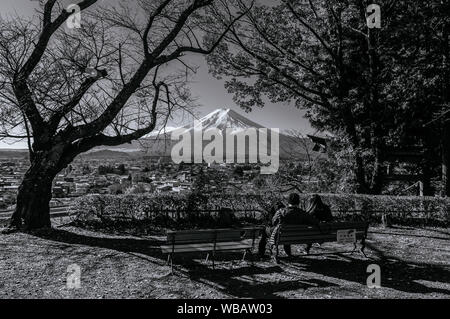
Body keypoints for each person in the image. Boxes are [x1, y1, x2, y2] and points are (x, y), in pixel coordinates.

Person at [258, 193, 319, 257]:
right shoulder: (303, 213)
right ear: (298, 202)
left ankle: (261, 253)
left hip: (281, 235)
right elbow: (314, 221)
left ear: (288, 201)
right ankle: (288, 253)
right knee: (285, 230)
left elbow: (273, 222)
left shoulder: (281, 211)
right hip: (296, 236)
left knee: (265, 230)